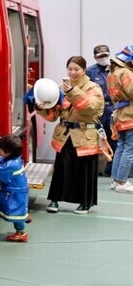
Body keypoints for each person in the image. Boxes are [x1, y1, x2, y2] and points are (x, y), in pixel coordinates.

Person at [38, 56, 104, 214]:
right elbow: (53, 116)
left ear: (84, 70)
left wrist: (72, 92)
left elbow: (90, 108)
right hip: (65, 135)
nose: (73, 72)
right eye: (70, 69)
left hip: (85, 135)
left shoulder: (93, 87)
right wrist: (42, 107)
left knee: (84, 171)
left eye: (77, 69)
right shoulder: (61, 88)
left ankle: (85, 203)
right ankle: (54, 199)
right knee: (61, 168)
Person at [0, 134, 29, 242]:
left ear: (8, 152)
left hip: (15, 192)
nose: (0, 151)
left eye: (1, 150)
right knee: (19, 208)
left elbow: (1, 169)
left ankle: (21, 233)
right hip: (17, 190)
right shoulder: (14, 158)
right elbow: (3, 161)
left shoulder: (12, 164)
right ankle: (24, 215)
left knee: (16, 211)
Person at [86, 44, 115, 175]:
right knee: (94, 139)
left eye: (105, 55)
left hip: (112, 108)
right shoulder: (90, 72)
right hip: (97, 110)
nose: (103, 58)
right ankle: (94, 169)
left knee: (113, 139)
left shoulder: (114, 69)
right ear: (95, 57)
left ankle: (111, 169)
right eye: (100, 56)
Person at [107, 45, 133, 193]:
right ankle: (122, 182)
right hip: (130, 114)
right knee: (129, 149)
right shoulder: (126, 72)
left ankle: (116, 181)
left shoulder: (113, 73)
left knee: (122, 147)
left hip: (120, 114)